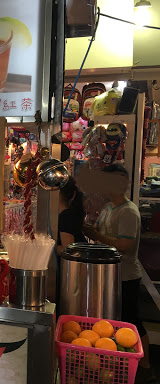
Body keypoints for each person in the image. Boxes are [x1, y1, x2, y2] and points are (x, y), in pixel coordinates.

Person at [83, 164, 156, 383]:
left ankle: (146, 366)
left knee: (132, 320)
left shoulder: (129, 211)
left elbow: (124, 245)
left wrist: (97, 234)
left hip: (125, 276)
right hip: (109, 275)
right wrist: (92, 229)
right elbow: (102, 235)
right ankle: (120, 362)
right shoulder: (108, 208)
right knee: (114, 321)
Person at [56, 176, 87, 255]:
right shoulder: (69, 214)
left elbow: (68, 250)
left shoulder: (66, 217)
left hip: (74, 265)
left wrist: (52, 248)